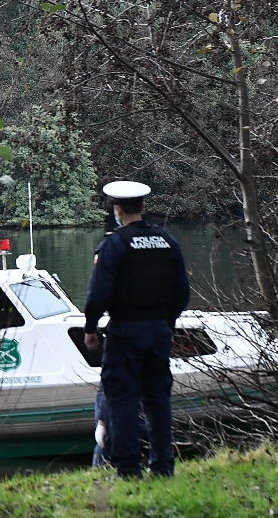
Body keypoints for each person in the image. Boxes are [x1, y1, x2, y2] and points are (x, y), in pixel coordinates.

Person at [83, 180, 189, 479]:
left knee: (122, 400)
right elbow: (182, 292)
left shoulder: (114, 245)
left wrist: (91, 328)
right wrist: (166, 324)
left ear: (117, 210)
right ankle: (163, 465)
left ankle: (128, 469)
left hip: (125, 333)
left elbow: (98, 294)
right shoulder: (168, 241)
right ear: (143, 207)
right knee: (157, 399)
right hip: (158, 332)